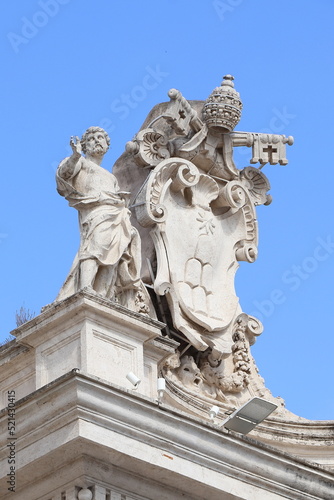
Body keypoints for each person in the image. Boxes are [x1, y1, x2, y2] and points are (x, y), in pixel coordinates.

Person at [56, 126, 149, 312]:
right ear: (84, 145)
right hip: (96, 214)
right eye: (91, 139)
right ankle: (85, 289)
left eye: (101, 138)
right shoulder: (81, 162)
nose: (97, 141)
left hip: (117, 216)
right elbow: (63, 176)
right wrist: (75, 155)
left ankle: (102, 294)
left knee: (114, 256)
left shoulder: (111, 177)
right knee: (93, 248)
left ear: (107, 145)